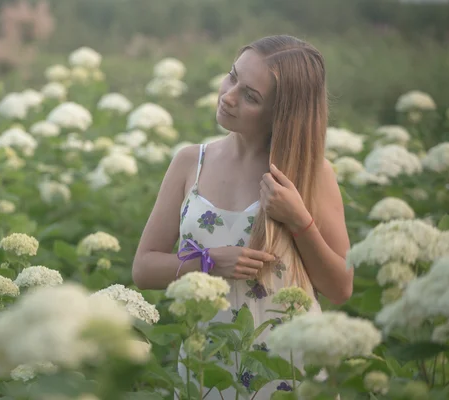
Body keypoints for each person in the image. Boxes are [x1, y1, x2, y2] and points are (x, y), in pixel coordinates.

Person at [132, 35, 354, 399]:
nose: (228, 95)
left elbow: (341, 289)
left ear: (281, 115)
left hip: (288, 370)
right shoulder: (191, 161)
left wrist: (299, 220)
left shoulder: (310, 174)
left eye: (251, 96)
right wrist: (206, 263)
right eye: (232, 77)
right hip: (206, 367)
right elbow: (143, 268)